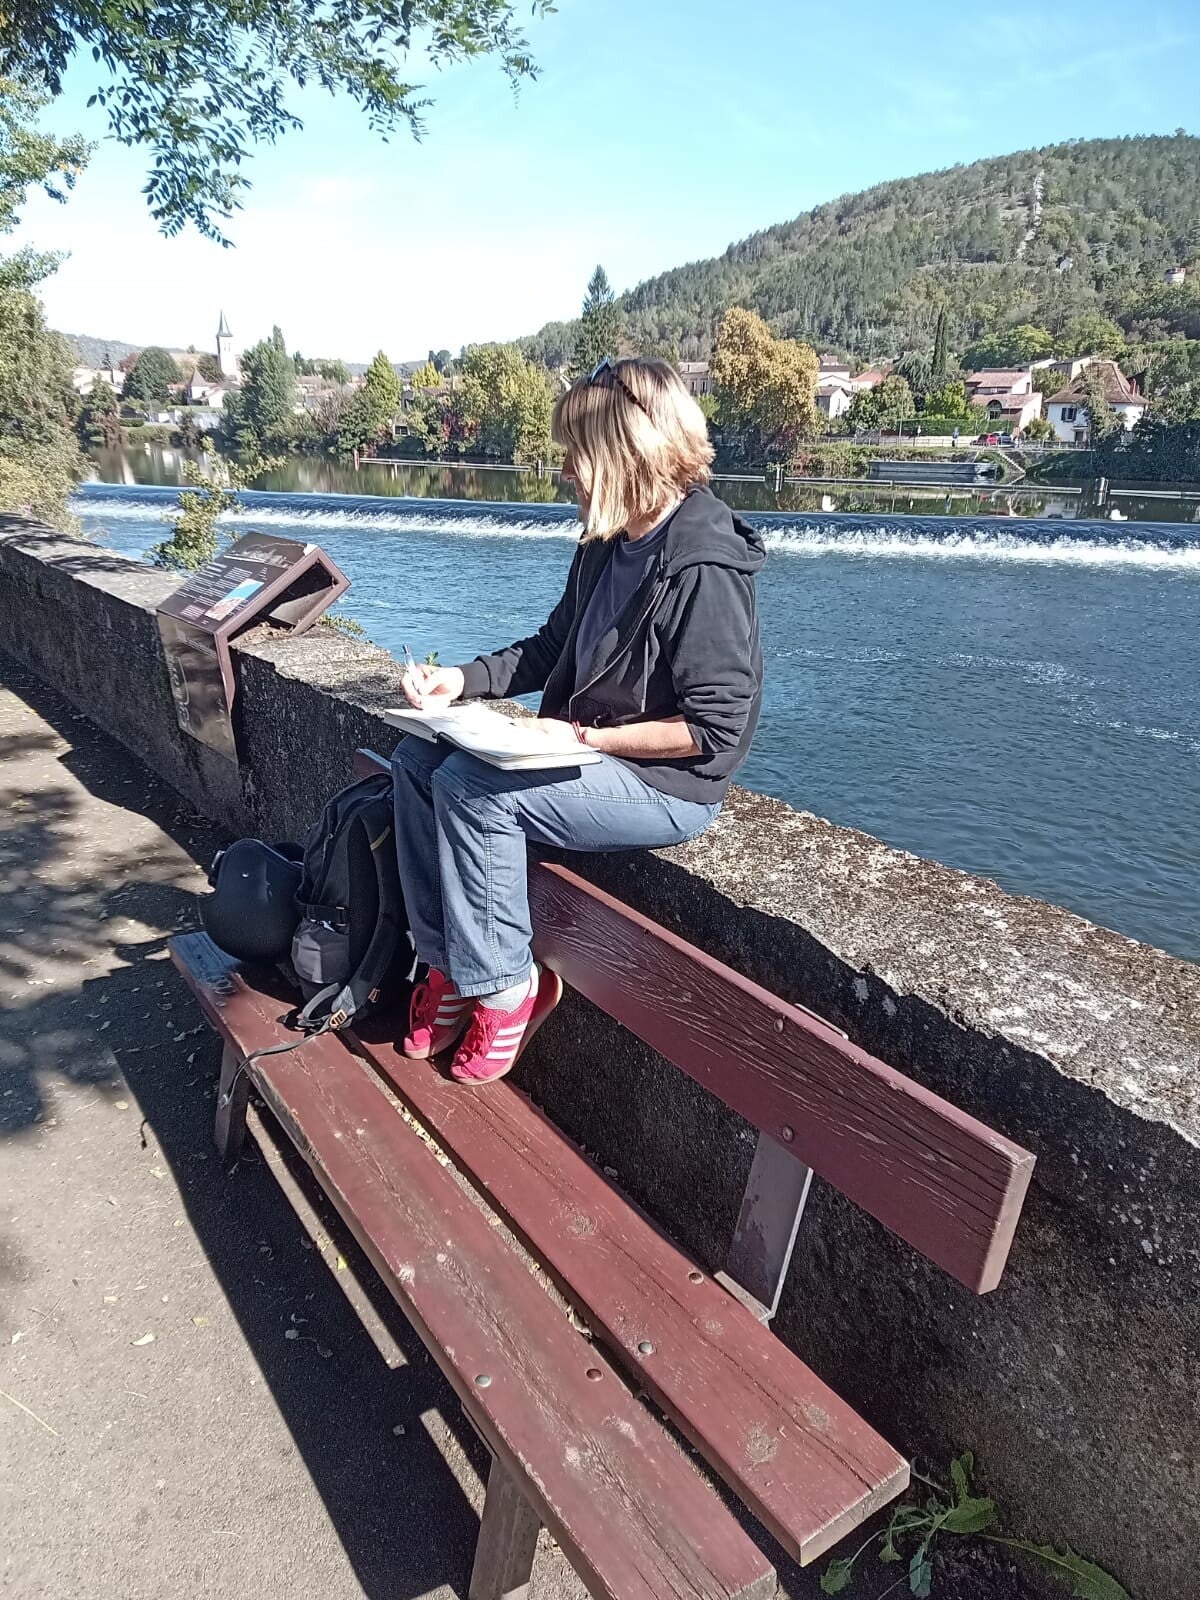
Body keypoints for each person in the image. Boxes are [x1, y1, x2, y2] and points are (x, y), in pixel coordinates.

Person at [391, 357, 765, 1084]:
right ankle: (447, 965)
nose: (566, 470)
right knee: (415, 764)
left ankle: (507, 989)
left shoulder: (704, 567)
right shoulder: (606, 544)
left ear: (625, 452)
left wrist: (584, 737)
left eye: (576, 452)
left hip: (665, 787)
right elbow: (551, 647)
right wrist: (458, 680)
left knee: (472, 790)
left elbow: (714, 733)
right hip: (586, 757)